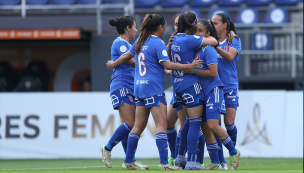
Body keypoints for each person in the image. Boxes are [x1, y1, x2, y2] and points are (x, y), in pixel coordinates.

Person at [106, 13, 202, 170]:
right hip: (153, 88)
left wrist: (114, 63)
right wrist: (189, 66)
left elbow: (127, 56)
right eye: (165, 26)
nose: (166, 29)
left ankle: (129, 160)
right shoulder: (158, 43)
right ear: (160, 27)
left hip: (138, 88)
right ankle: (165, 164)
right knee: (161, 125)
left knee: (137, 127)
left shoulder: (140, 41)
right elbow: (168, 64)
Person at [184, 19, 241, 170]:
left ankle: (234, 152)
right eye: (195, 31)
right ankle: (216, 162)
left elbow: (213, 72)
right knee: (206, 128)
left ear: (208, 34)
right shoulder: (196, 48)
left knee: (213, 125)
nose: (196, 34)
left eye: (200, 31)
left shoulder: (209, 49)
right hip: (201, 91)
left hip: (213, 90)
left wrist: (193, 70)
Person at [169, 11, 218, 170]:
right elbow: (214, 41)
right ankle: (191, 161)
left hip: (177, 85)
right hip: (190, 85)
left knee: (187, 123)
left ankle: (179, 157)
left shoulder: (175, 38)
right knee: (195, 124)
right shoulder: (190, 40)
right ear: (191, 25)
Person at [99, 16, 148, 170]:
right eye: (134, 27)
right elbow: (131, 62)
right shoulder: (119, 43)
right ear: (127, 28)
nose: (135, 30)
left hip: (129, 87)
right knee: (132, 123)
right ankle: (107, 148)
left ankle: (130, 160)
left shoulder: (128, 44)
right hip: (121, 86)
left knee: (127, 125)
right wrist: (149, 62)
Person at [212, 12, 242, 165]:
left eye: (216, 23)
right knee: (216, 126)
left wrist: (215, 46)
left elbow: (229, 57)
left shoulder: (234, 39)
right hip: (214, 87)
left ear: (225, 24)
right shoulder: (210, 39)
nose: (213, 25)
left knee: (229, 123)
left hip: (229, 86)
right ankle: (221, 161)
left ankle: (233, 152)